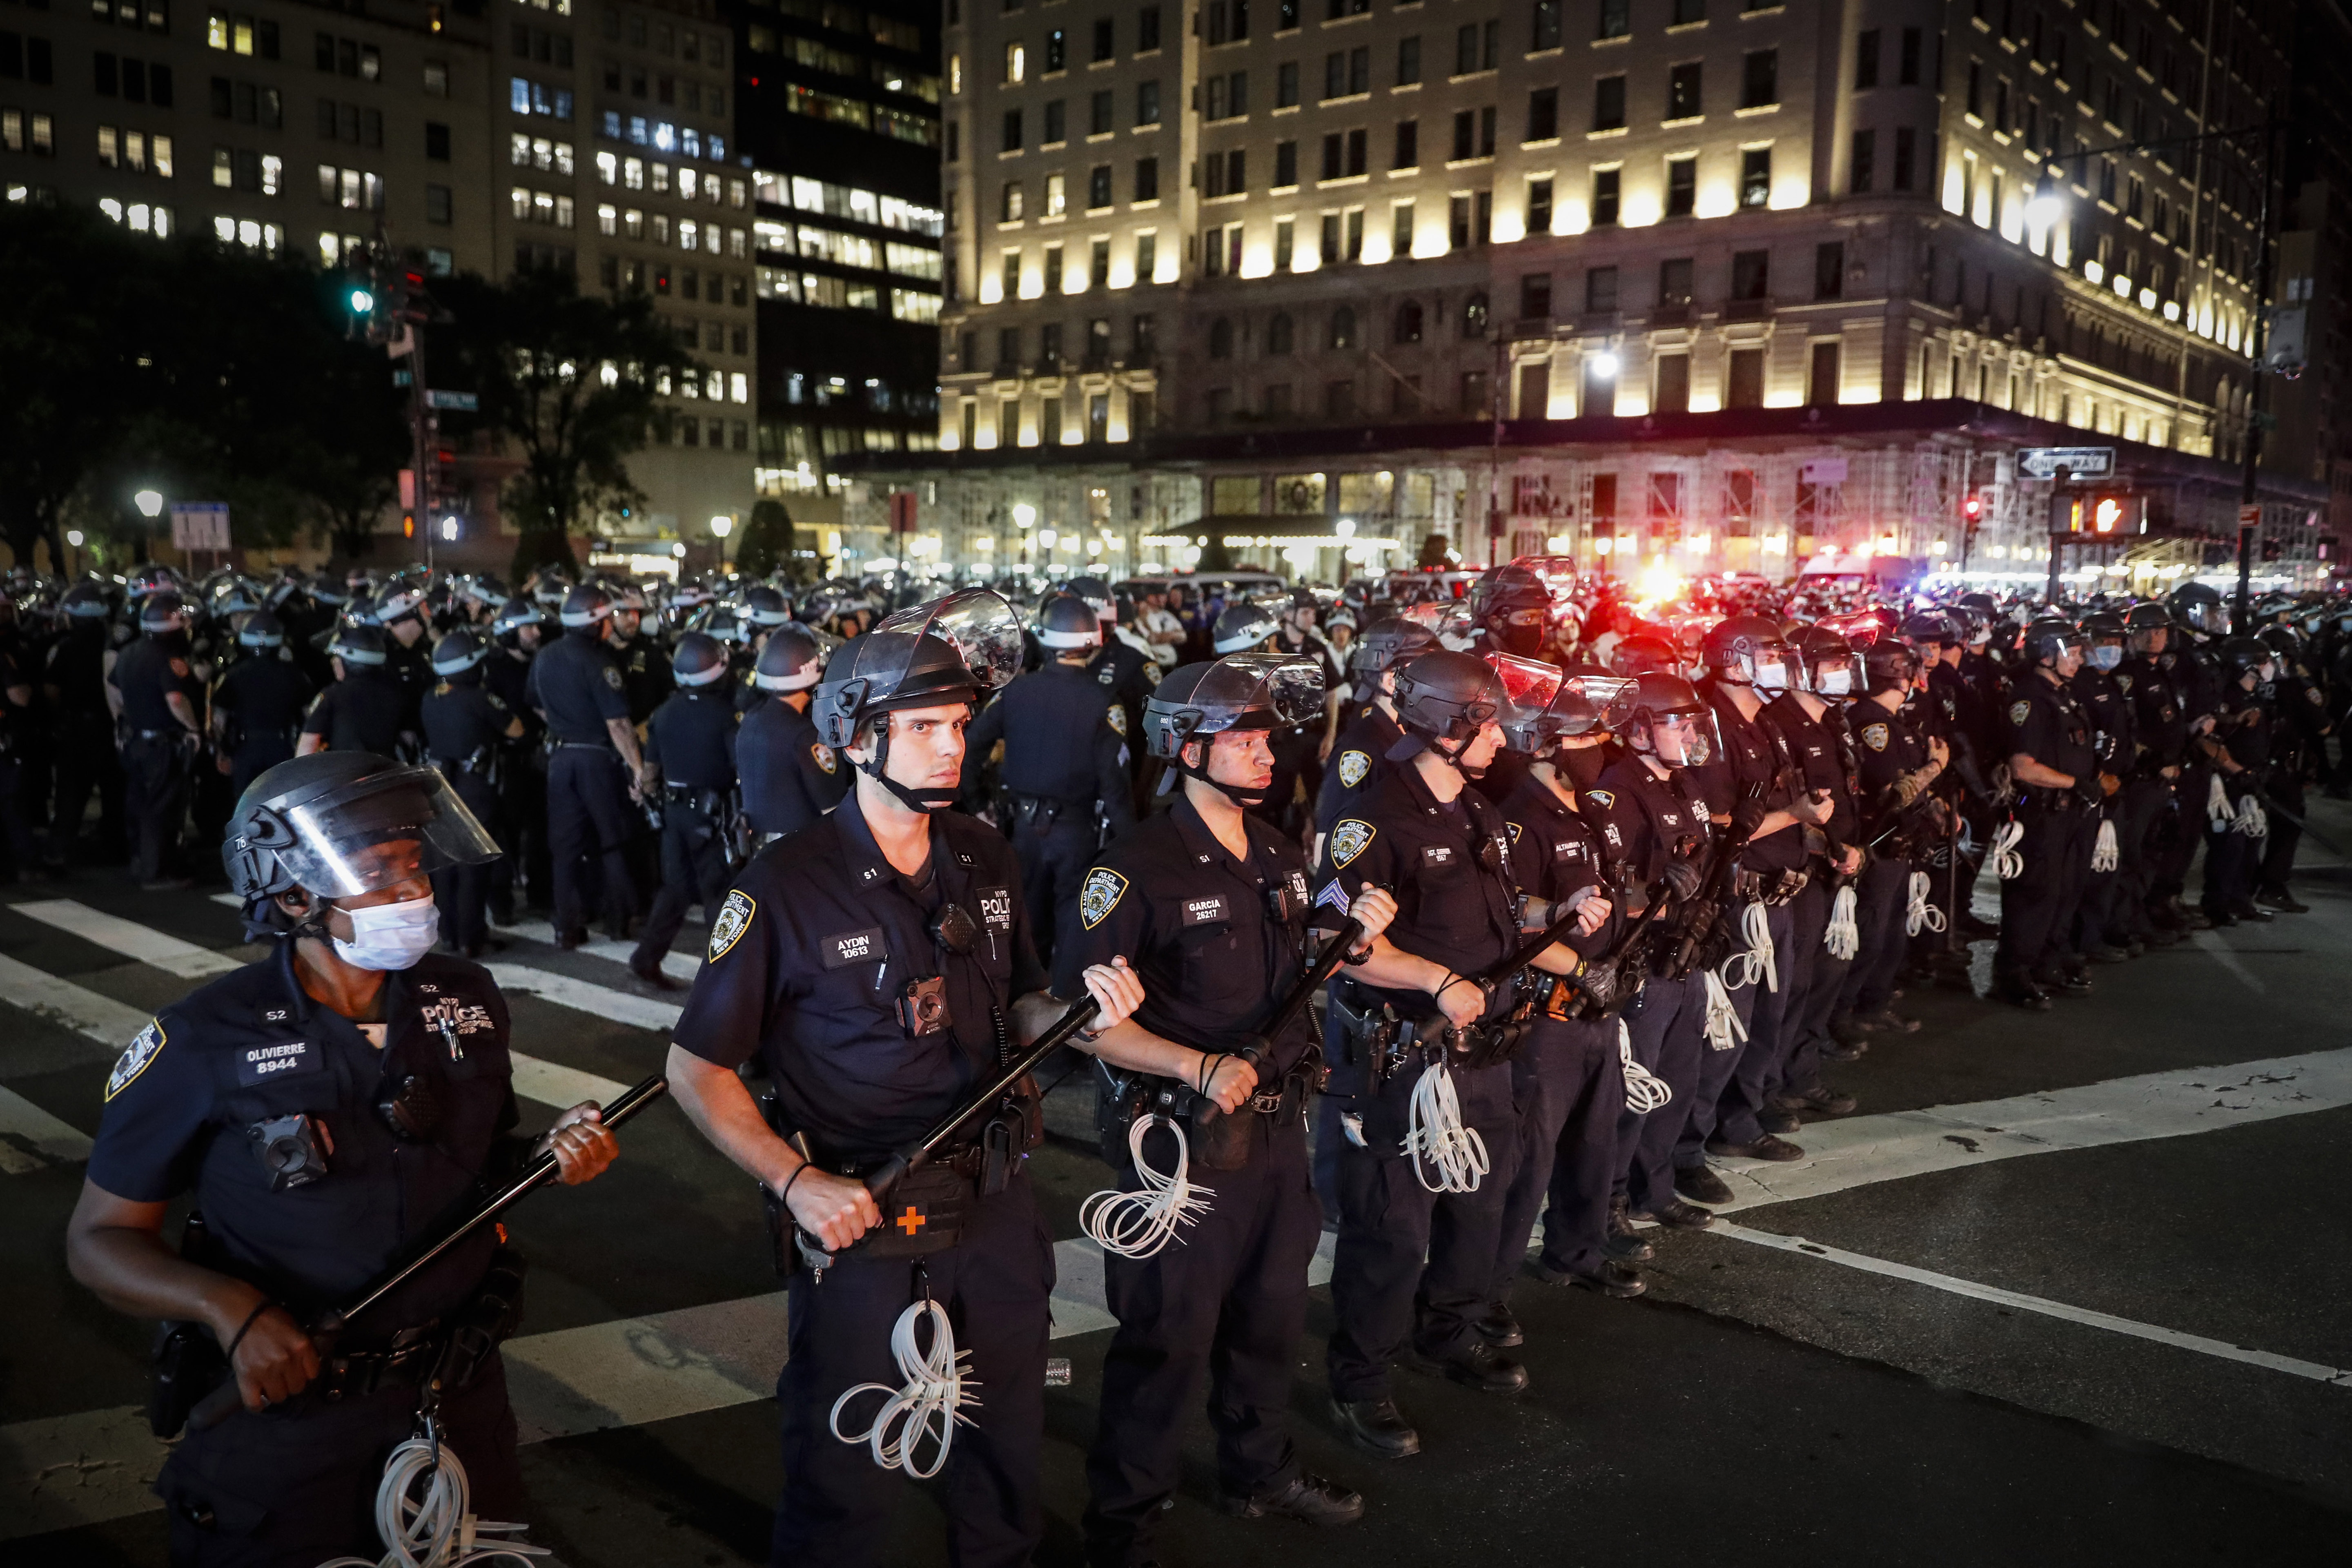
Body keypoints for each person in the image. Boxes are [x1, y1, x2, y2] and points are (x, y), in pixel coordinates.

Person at [659, 590, 1144, 1568]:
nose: (950, 747)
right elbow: (695, 1064)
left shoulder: (983, 850)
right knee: (848, 1463)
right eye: (923, 727)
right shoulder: (783, 881)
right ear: (851, 735)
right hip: (866, 1208)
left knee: (1003, 1429)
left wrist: (1084, 1014)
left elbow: (1019, 1008)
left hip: (999, 1199)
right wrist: (795, 1182)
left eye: (959, 724)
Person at [64, 752, 621, 1568]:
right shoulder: (205, 1037)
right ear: (295, 895)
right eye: (377, 873)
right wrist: (229, 1309)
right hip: (292, 1427)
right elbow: (99, 1240)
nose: (414, 893)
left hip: (457, 1400)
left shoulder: (465, 998)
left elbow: (482, 1166)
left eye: (415, 866)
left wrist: (551, 1152)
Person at [1061, 654, 1394, 1568]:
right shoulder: (1131, 871)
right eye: (1243, 740)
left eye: (1265, 738)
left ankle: (1259, 1470)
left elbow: (1325, 931)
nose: (1265, 755)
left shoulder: (1283, 852)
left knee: (1270, 1319)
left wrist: (1357, 922)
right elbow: (1081, 1025)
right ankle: (1124, 1523)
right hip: (1182, 1144)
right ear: (1184, 748)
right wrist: (1193, 1064)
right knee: (1167, 1339)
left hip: (1278, 1137)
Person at [1315, 650, 1584, 1457]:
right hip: (1404, 1064)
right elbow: (1339, 948)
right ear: (1448, 725)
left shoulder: (1475, 811)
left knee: (1481, 1205)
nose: (1503, 738)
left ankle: (1450, 1331)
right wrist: (1435, 980)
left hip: (1486, 1055)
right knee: (1392, 1232)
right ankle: (1361, 1380)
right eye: (1490, 721)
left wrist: (1560, 909)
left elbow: (1504, 910)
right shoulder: (1372, 821)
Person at [1488, 677, 1636, 1308]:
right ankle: (1484, 1292)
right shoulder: (1521, 820)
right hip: (1549, 1011)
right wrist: (1577, 971)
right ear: (1545, 744)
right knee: (1528, 1160)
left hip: (1600, 1004)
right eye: (1585, 735)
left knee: (1594, 1142)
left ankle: (1577, 1251)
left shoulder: (1591, 809)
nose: (1599, 745)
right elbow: (1511, 918)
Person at [1576, 673, 1724, 1235]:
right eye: (1677, 722)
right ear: (1639, 730)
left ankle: (1652, 1188)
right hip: (1645, 965)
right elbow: (1610, 891)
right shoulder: (1618, 789)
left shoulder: (1681, 782)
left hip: (1686, 959)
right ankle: (1608, 1203)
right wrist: (1667, 905)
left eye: (1693, 721)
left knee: (1678, 1080)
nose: (1690, 732)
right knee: (1631, 1090)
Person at [962, 592, 1135, 962]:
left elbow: (972, 745)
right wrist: (1130, 846)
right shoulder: (1104, 700)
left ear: (1043, 638)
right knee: (1073, 928)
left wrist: (976, 803)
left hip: (1020, 830)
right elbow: (1114, 785)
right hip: (1075, 833)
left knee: (1025, 928)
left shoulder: (1015, 691)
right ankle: (1065, 1007)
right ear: (1093, 641)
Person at [527, 585, 651, 948]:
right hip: (596, 759)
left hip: (561, 759)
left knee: (565, 848)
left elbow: (536, 703)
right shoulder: (601, 662)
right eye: (607, 618)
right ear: (594, 623)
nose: (613, 624)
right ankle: (617, 921)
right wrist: (639, 769)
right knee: (611, 840)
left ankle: (567, 927)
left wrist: (565, 722)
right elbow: (619, 724)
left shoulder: (546, 656)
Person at [1996, 619, 2100, 1006]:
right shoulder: (2030, 700)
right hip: (2042, 813)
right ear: (2046, 655)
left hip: (2070, 812)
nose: (2076, 661)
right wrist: (2075, 784)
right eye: (2069, 654)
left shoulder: (2064, 695)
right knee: (2034, 894)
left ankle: (2046, 962)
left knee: (2064, 890)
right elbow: (2023, 766)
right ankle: (2015, 973)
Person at [628, 631, 739, 989]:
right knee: (718, 896)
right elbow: (740, 768)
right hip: (710, 815)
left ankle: (646, 958)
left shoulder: (664, 712)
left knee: (675, 889)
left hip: (674, 814)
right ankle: (728, 976)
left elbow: (650, 771)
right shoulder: (725, 716)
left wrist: (643, 791)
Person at [420, 629, 526, 959]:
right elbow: (517, 730)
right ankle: (472, 937)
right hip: (475, 788)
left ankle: (450, 933)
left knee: (446, 865)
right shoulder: (480, 698)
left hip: (439, 786)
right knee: (474, 866)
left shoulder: (431, 697)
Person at [108, 590, 206, 890]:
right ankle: (157, 872)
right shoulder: (169, 659)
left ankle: (141, 861)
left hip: (135, 741)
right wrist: (193, 729)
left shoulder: (128, 653)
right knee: (161, 807)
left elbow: (114, 691)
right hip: (163, 745)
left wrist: (122, 721)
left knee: (138, 802)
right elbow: (176, 700)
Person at [1314, 616, 1438, 850]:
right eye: (1424, 673)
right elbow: (1327, 845)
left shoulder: (1410, 736)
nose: (1435, 683)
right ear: (1392, 681)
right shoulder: (1360, 749)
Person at [736, 624, 849, 844]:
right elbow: (834, 808)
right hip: (801, 852)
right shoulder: (806, 735)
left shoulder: (750, 720)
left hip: (760, 851)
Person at [46, 580, 128, 870]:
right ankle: (116, 849)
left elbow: (53, 691)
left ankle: (60, 851)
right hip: (110, 728)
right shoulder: (113, 645)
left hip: (78, 731)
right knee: (114, 793)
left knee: (71, 795)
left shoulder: (66, 648)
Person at [209, 611, 315, 804]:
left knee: (245, 806)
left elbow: (219, 719)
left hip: (245, 749)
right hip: (283, 747)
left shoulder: (234, 674)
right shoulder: (296, 675)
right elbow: (310, 715)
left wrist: (222, 750)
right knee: (281, 805)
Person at [296, 625, 412, 759]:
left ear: (350, 663)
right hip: (386, 771)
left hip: (346, 774)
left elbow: (307, 746)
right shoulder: (396, 693)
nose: (334, 662)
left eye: (337, 658)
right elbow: (408, 739)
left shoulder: (332, 695)